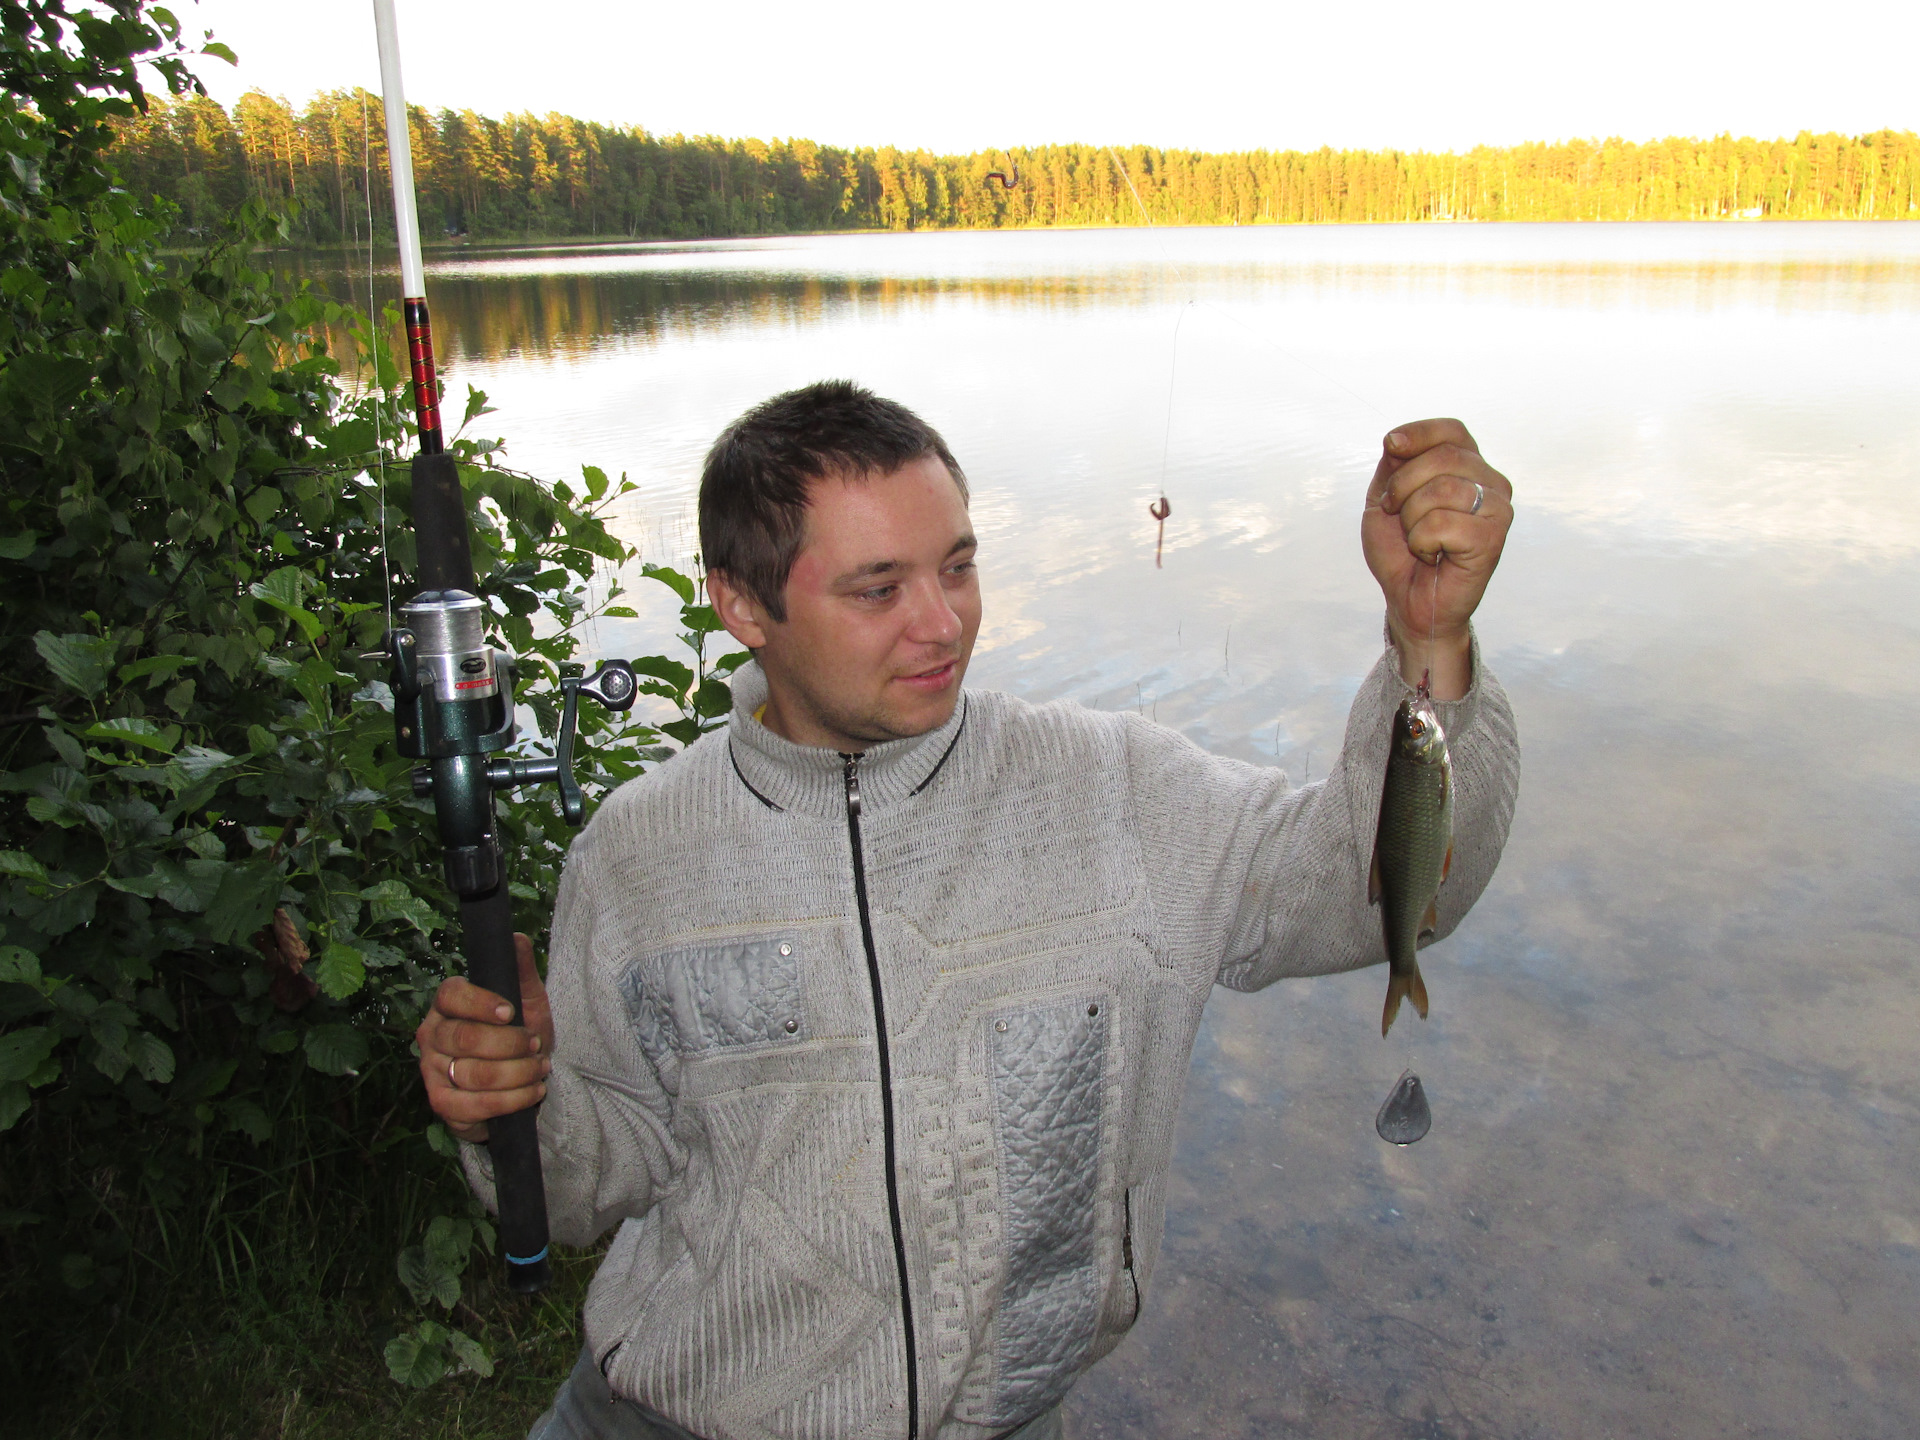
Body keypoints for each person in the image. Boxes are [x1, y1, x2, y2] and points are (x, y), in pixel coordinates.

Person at [417, 381, 1520, 1440]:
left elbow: (1374, 897)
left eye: (959, 566)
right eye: (878, 588)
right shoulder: (641, 851)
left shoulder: (1115, 794)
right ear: (744, 604)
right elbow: (584, 1180)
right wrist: (510, 1110)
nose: (943, 624)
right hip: (663, 1417)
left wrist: (1430, 643)